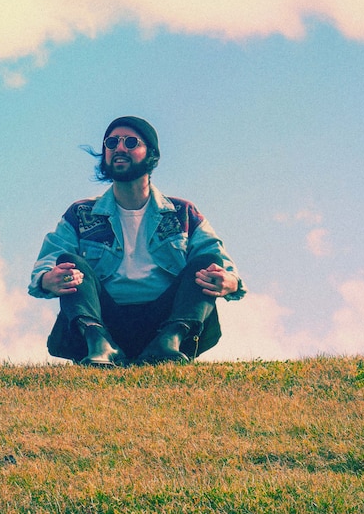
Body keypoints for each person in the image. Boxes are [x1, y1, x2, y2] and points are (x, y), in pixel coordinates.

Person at [29, 116, 245, 366]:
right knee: (69, 263)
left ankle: (167, 344)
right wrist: (47, 279)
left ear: (151, 154)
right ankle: (101, 346)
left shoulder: (182, 213)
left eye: (131, 142)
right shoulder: (80, 214)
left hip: (167, 323)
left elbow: (219, 260)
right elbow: (47, 262)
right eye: (111, 143)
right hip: (102, 323)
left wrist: (230, 281)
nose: (119, 148)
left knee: (207, 262)